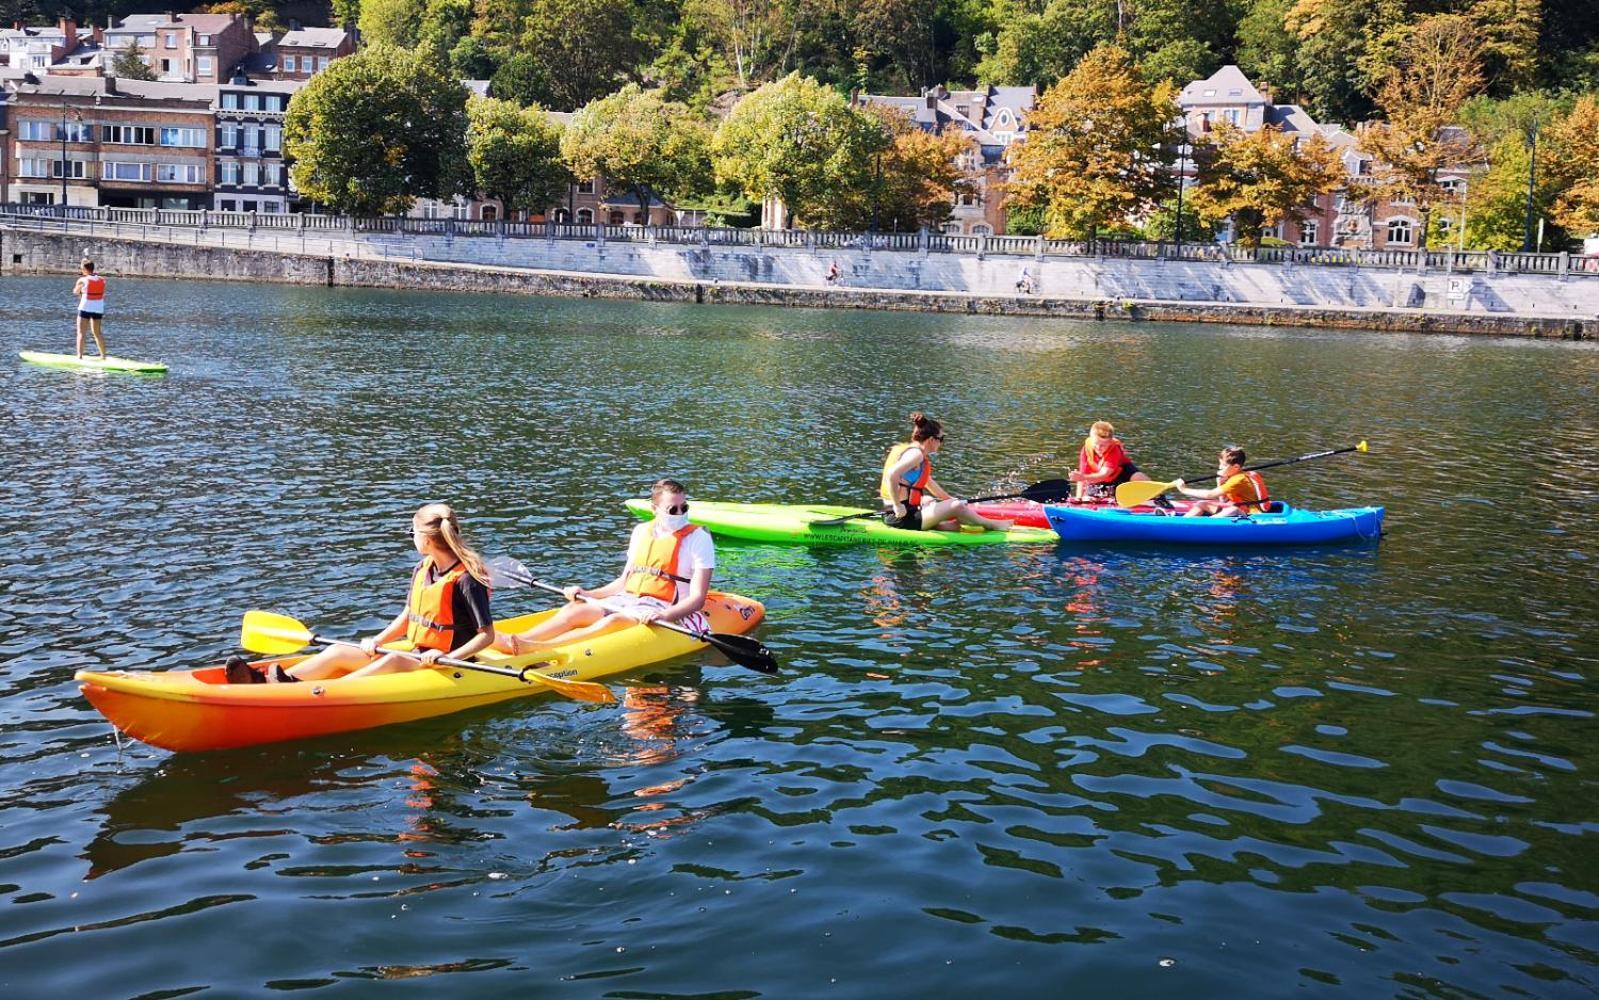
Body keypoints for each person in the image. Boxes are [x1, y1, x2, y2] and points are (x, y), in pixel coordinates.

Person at [229, 503, 496, 683]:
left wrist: (447, 658)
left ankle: (315, 695)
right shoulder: (424, 567)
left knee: (391, 661)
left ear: (426, 540)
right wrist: (377, 640)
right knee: (337, 652)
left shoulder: (467, 580)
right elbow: (409, 615)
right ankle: (265, 681)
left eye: (411, 533)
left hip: (452, 663)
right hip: (418, 651)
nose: (411, 538)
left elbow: (486, 636)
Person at [495, 479, 714, 655]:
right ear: (655, 509)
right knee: (575, 609)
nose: (680, 514)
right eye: (672, 509)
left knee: (615, 620)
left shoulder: (698, 538)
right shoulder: (641, 532)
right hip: (629, 599)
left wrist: (664, 616)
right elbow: (623, 582)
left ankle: (540, 649)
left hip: (663, 605)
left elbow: (697, 599)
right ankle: (521, 640)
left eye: (683, 508)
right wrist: (588, 594)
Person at [880, 412, 1013, 532]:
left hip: (899, 513)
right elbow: (892, 474)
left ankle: (949, 524)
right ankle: (992, 525)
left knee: (929, 500)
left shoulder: (908, 450)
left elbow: (929, 483)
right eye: (941, 439)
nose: (941, 443)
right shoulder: (916, 455)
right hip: (901, 518)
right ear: (931, 440)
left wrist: (950, 500)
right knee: (956, 507)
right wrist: (897, 506)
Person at [1174, 446, 1271, 517]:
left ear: (1236, 467)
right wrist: (1219, 481)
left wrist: (1184, 490)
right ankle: (1178, 524)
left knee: (1233, 510)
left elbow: (1210, 495)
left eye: (1223, 466)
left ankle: (1208, 524)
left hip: (1252, 515)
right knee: (1201, 504)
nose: (1220, 468)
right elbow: (1223, 500)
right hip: (1241, 508)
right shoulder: (1237, 475)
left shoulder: (1239, 480)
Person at [1069, 421, 1151, 501]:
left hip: (1119, 475)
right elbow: (1082, 476)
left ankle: (1155, 498)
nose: (1098, 447)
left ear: (1110, 442)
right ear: (1091, 439)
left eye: (1103, 445)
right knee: (1087, 496)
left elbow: (1103, 474)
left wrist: (1082, 477)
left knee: (1139, 478)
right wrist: (1079, 498)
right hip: (1098, 479)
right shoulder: (1086, 449)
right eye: (1096, 443)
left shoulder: (1115, 450)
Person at [73, 260, 108, 360]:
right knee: (97, 333)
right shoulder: (102, 279)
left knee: (81, 332)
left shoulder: (82, 280)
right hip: (98, 308)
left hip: (85, 307)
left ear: (84, 269)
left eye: (82, 268)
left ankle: (79, 356)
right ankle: (103, 356)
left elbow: (75, 292)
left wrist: (80, 290)